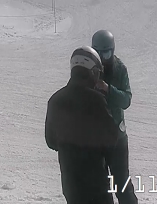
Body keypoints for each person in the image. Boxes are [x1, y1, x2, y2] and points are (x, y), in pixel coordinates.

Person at [46, 46, 120, 204]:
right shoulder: (96, 100)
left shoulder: (55, 99)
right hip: (96, 183)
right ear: (92, 72)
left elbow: (51, 141)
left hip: (70, 182)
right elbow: (112, 138)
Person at [91, 30, 138, 204]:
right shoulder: (88, 68)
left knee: (122, 184)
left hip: (117, 136)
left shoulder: (119, 69)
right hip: (95, 138)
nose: (103, 58)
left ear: (112, 50)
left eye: (106, 53)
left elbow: (126, 100)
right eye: (98, 53)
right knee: (100, 186)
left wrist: (108, 89)